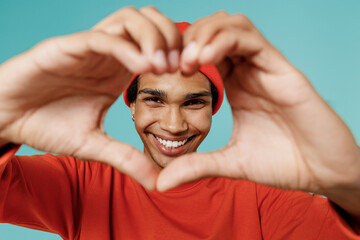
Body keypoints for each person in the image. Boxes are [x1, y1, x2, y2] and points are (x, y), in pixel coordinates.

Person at [0, 6, 359, 239]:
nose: (173, 124)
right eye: (154, 99)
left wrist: (349, 181)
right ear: (131, 105)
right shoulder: (82, 183)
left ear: (213, 109)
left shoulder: (261, 197)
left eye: (193, 102)